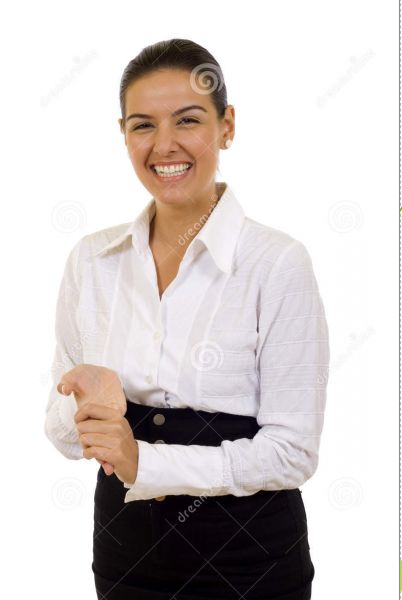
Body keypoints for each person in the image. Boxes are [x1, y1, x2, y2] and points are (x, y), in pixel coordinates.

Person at [44, 38, 330, 600]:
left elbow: (294, 451)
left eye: (188, 120)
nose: (164, 144)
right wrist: (92, 409)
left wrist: (142, 459)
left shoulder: (276, 262)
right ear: (123, 134)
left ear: (226, 126)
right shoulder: (92, 260)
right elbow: (58, 430)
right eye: (142, 125)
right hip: (125, 554)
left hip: (249, 560)